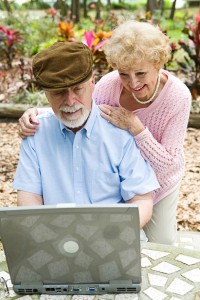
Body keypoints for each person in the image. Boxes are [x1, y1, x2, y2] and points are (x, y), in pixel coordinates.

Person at [18, 21, 192, 245]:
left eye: (140, 73)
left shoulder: (178, 97)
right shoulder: (109, 86)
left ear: (158, 64)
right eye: (124, 74)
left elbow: (168, 162)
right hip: (129, 174)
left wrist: (136, 128)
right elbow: (81, 110)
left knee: (163, 244)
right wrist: (37, 114)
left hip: (162, 176)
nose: (133, 83)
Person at [13, 41, 160, 230]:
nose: (70, 101)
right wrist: (42, 234)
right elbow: (28, 197)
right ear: (46, 93)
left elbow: (142, 200)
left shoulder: (119, 130)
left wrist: (116, 232)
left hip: (113, 235)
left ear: (92, 82)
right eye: (58, 92)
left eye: (77, 89)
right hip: (55, 237)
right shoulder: (35, 133)